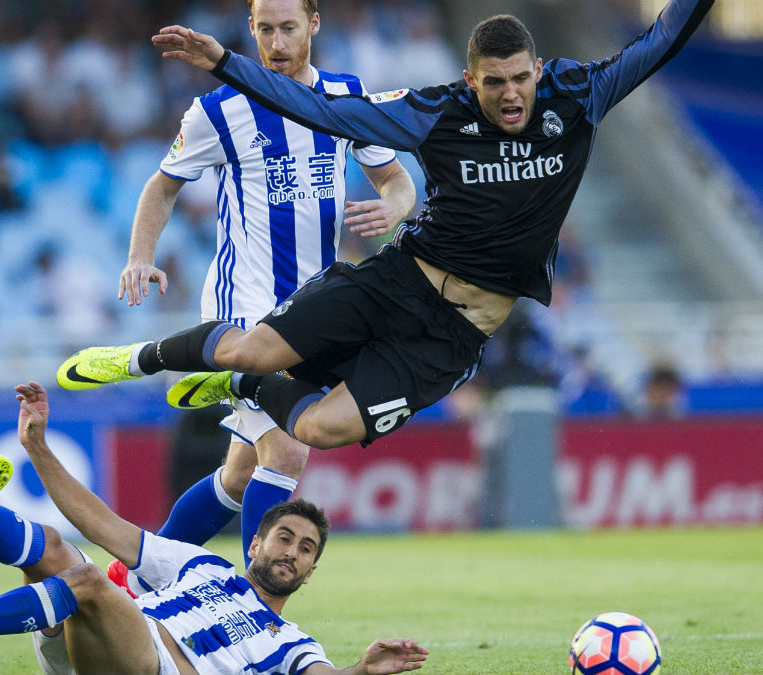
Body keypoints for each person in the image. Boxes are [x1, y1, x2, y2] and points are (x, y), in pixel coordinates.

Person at [57, 0, 715, 450]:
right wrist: (229, 65)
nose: (511, 94)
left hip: (454, 335)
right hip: (397, 283)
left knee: (318, 430)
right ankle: (137, 360)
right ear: (470, 80)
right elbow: (326, 111)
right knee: (250, 345)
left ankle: (247, 388)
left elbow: (662, 37)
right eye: (494, 83)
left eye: (520, 78)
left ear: (538, 71)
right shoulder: (434, 111)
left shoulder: (581, 96)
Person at [97, 0, 416, 573]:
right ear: (251, 29)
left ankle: (132, 580)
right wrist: (139, 257)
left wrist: (393, 207)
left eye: (288, 27)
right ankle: (256, 607)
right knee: (288, 449)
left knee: (242, 475)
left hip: (315, 312)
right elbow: (162, 186)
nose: (276, 42)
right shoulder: (218, 110)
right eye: (264, 29)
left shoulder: (343, 96)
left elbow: (395, 179)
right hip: (241, 311)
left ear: (314, 25)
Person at [0, 381, 429, 675]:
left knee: (89, 581)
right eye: (285, 537)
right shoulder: (204, 565)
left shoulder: (290, 642)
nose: (292, 552)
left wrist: (361, 670)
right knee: (57, 550)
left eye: (306, 549)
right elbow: (101, 523)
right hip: (108, 647)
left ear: (311, 572)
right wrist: (37, 447)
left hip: (151, 666)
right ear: (255, 543)